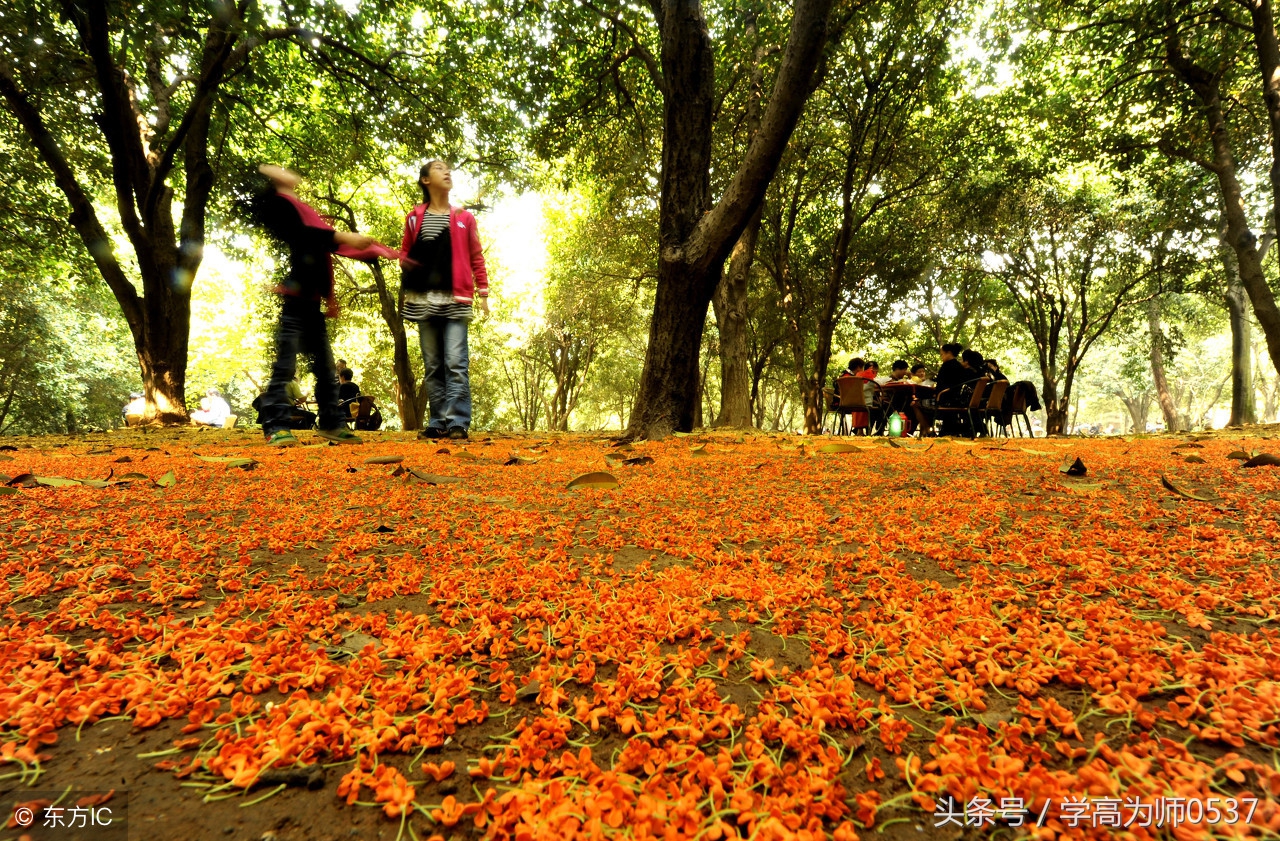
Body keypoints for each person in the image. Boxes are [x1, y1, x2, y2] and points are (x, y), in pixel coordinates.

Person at [241, 164, 392, 447]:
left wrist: (330, 295)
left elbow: (322, 252)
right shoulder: (281, 206)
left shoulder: (302, 208)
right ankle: (275, 425)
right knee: (285, 366)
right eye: (280, 170)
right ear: (272, 180)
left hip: (312, 303)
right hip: (295, 300)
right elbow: (306, 237)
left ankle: (332, 424)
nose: (290, 171)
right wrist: (345, 238)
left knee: (325, 368)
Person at [399, 160, 489, 441]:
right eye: (439, 168)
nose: (446, 171)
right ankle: (438, 421)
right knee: (433, 365)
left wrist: (483, 292)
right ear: (425, 180)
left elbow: (476, 255)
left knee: (456, 363)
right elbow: (405, 255)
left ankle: (458, 422)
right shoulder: (414, 218)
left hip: (457, 300)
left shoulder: (464, 218)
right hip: (424, 300)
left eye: (448, 168)